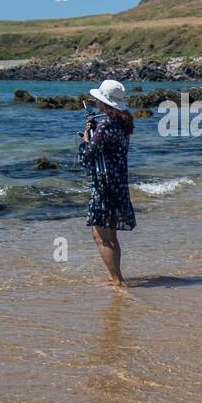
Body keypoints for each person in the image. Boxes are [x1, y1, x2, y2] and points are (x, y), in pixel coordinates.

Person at [79, 79, 135, 286]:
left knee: (102, 237)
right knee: (108, 234)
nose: (96, 104)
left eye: (98, 101)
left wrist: (85, 138)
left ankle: (116, 279)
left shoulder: (106, 126)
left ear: (105, 104)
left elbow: (88, 154)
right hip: (118, 182)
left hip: (104, 184)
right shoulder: (123, 123)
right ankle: (117, 276)